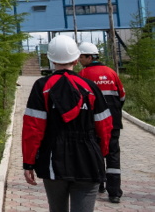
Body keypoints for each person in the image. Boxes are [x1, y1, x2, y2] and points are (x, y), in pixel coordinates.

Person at [22, 35, 113, 212]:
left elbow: (33, 128)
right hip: (88, 160)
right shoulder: (90, 87)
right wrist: (99, 153)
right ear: (76, 58)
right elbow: (105, 126)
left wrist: (28, 162)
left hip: (53, 159)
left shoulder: (42, 86)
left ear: (50, 59)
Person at [78, 41, 126, 203]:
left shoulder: (84, 74)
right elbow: (122, 96)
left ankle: (99, 184)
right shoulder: (111, 72)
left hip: (93, 124)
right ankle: (114, 193)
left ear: (89, 57)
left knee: (95, 152)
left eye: (82, 57)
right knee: (113, 155)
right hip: (113, 122)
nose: (79, 60)